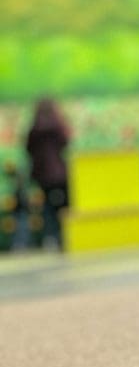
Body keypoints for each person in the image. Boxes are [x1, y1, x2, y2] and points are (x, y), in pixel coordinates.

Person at [25, 98, 71, 252]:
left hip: (41, 175)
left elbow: (28, 149)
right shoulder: (58, 127)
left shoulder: (33, 130)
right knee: (63, 205)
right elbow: (66, 144)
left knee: (48, 207)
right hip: (59, 174)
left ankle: (50, 237)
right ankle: (64, 237)